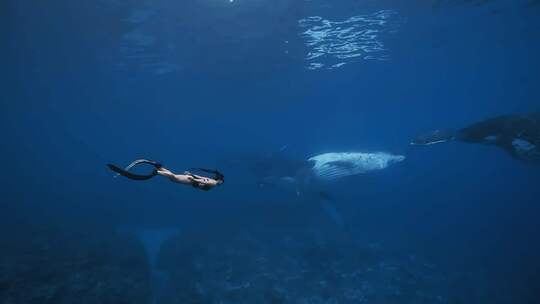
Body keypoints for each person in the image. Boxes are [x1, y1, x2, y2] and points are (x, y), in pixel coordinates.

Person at [411, 112, 540, 161]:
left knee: (522, 151)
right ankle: (453, 135)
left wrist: (504, 140)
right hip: (521, 128)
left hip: (521, 139)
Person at [107, 159, 224, 191]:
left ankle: (158, 167)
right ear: (219, 180)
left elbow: (202, 180)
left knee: (173, 177)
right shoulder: (213, 183)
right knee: (173, 177)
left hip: (189, 180)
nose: (219, 183)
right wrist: (192, 176)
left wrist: (192, 176)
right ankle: (157, 170)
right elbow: (203, 181)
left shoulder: (212, 183)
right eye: (221, 182)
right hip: (188, 180)